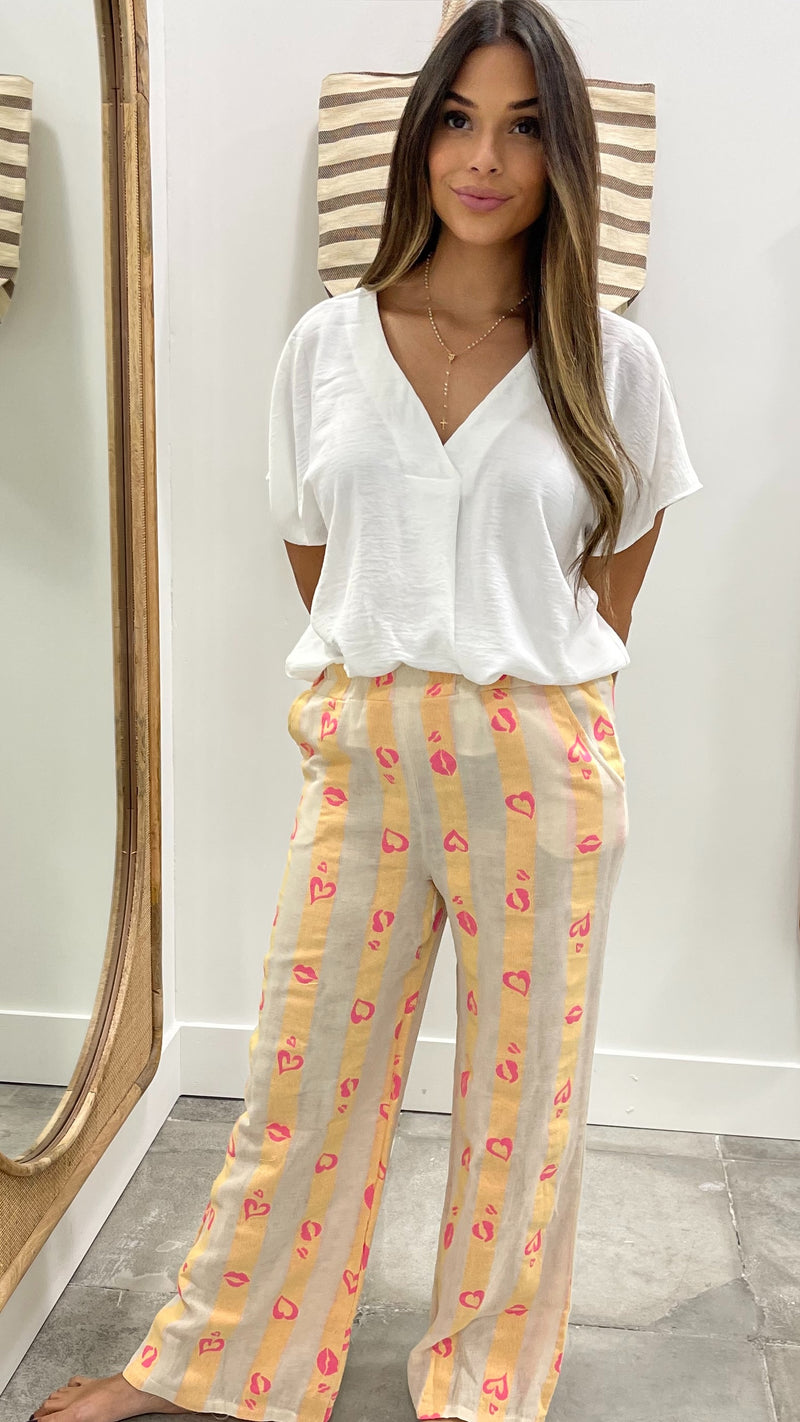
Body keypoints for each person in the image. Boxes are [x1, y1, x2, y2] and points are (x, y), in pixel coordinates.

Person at [30, 3, 702, 1421]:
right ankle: (217, 1364)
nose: (485, 158)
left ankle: (483, 1387)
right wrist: (393, 664)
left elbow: (626, 556)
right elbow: (313, 549)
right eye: (458, 119)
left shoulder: (610, 358)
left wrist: (536, 671)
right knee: (303, 1077)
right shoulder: (327, 346)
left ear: (565, 157)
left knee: (522, 1107)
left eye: (524, 127)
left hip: (542, 762)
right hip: (367, 755)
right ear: (417, 140)